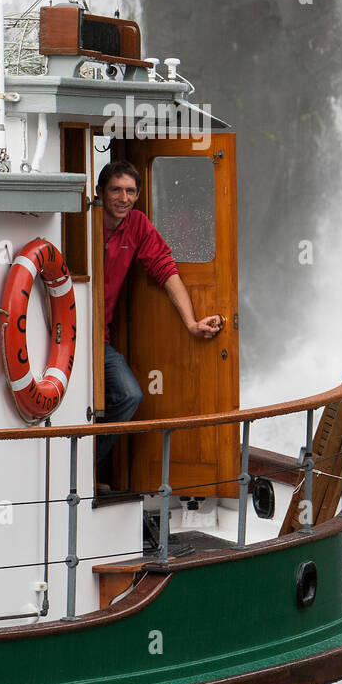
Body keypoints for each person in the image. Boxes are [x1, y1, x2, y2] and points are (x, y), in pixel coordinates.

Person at [95, 159, 223, 467]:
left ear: (137, 195)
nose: (122, 198)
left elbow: (166, 270)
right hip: (65, 340)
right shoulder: (83, 220)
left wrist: (191, 323)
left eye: (129, 191)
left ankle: (86, 469)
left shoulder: (136, 224)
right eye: (115, 190)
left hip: (101, 341)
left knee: (129, 395)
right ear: (100, 192)